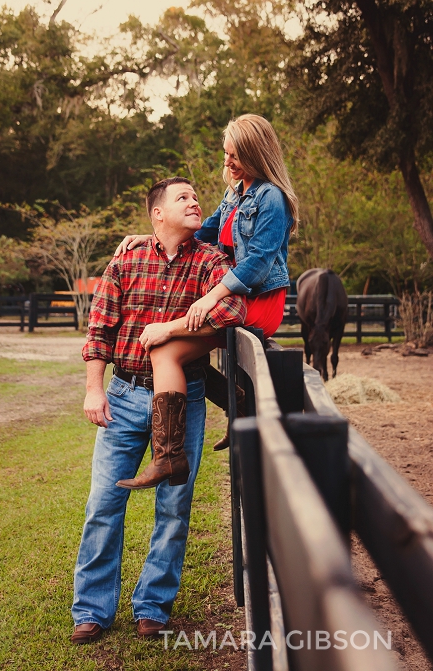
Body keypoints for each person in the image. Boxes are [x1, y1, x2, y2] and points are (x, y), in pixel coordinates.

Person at [72, 177, 246, 643]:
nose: (194, 203)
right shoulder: (126, 258)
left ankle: (153, 606)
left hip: (184, 396)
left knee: (174, 505)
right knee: (103, 504)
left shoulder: (210, 261)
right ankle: (91, 610)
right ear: (158, 214)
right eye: (183, 198)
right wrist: (95, 389)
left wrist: (170, 329)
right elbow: (100, 326)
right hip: (126, 394)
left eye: (195, 197)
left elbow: (233, 311)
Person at [114, 113, 299, 459]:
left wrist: (209, 298)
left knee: (166, 349)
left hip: (257, 300)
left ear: (257, 153)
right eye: (225, 153)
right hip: (232, 296)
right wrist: (150, 237)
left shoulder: (271, 197)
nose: (227, 162)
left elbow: (257, 265)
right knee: (171, 351)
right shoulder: (235, 194)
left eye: (235, 156)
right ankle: (237, 405)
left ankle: (169, 458)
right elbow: (204, 233)